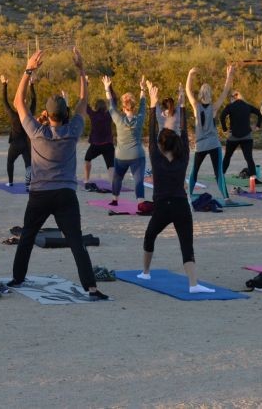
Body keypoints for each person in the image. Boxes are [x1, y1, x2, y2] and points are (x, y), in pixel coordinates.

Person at [7, 48, 109, 301]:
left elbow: (19, 102)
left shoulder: (37, 132)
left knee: (28, 237)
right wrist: (81, 69)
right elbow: (83, 102)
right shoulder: (73, 129)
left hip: (40, 194)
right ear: (65, 114)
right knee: (76, 242)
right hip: (65, 194)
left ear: (48, 114)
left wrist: (28, 70)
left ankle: (18, 277)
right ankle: (92, 288)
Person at [137, 81, 215, 293]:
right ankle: (193, 284)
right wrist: (181, 105)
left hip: (162, 206)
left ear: (160, 147)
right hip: (181, 206)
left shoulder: (155, 157)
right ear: (177, 145)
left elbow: (152, 135)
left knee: (149, 236)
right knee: (186, 246)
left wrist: (153, 105)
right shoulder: (183, 159)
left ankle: (145, 271)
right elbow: (183, 132)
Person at [186, 65, 233, 201]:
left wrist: (190, 74)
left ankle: (189, 195)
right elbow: (225, 92)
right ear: (210, 94)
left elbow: (188, 90)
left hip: (200, 145)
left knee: (194, 171)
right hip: (213, 144)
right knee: (218, 172)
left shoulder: (196, 106)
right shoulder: (214, 107)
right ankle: (226, 197)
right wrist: (229, 76)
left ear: (200, 94)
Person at [102, 74, 147, 207]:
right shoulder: (139, 119)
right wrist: (143, 89)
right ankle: (141, 202)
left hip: (121, 156)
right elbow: (143, 105)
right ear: (133, 106)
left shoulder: (118, 119)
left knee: (117, 177)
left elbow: (111, 106)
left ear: (123, 107)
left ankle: (115, 199)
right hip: (137, 155)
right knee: (139, 180)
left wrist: (107, 88)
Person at [1, 74, 36, 190]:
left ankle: (10, 182)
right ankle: (28, 184)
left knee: (9, 162)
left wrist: (4, 84)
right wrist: (31, 85)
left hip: (15, 144)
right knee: (28, 165)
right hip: (26, 144)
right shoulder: (29, 114)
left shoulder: (13, 116)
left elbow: (4, 101)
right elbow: (34, 100)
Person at [220, 89, 262, 179]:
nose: (230, 99)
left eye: (231, 97)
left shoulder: (230, 106)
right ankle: (253, 177)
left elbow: (222, 116)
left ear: (234, 97)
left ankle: (221, 175)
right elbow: (259, 113)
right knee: (249, 158)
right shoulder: (247, 106)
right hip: (247, 136)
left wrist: (224, 129)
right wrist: (258, 125)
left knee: (227, 157)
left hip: (233, 136)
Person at [84, 95, 115, 186]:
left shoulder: (93, 115)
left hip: (95, 145)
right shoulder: (109, 115)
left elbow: (85, 104)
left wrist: (86, 85)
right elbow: (113, 104)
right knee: (111, 165)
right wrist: (108, 89)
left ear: (96, 106)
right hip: (108, 145)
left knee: (87, 159)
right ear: (105, 106)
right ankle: (112, 182)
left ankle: (86, 180)